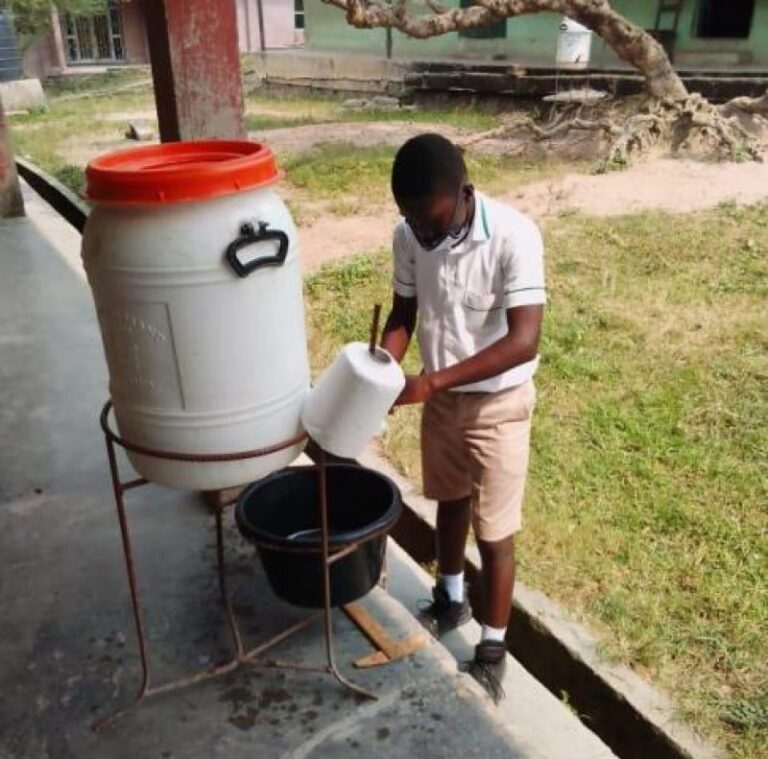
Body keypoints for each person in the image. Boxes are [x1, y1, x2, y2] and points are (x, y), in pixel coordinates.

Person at [380, 133, 545, 704]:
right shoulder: (409, 233)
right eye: (412, 221)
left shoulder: (513, 236)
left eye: (432, 221)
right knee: (447, 502)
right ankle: (450, 599)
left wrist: (430, 382)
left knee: (494, 531)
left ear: (464, 193)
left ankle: (493, 650)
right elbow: (405, 309)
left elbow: (524, 340)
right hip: (442, 399)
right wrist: (382, 366)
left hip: (499, 404)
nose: (422, 234)